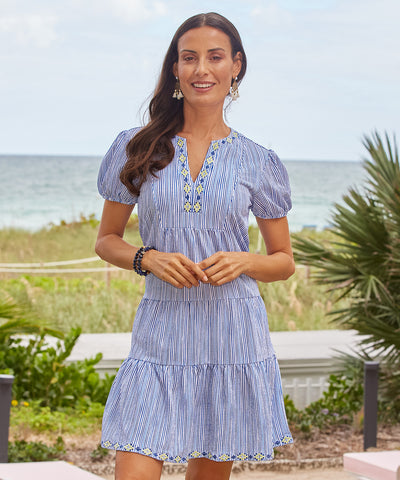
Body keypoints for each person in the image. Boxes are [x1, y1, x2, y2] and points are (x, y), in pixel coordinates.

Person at [95, 12, 294, 480]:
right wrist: (148, 258)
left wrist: (246, 261)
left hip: (232, 336)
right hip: (161, 335)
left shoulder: (258, 160)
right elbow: (106, 241)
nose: (201, 69)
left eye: (215, 57)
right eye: (189, 58)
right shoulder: (137, 146)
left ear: (236, 66)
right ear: (175, 70)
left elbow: (283, 261)